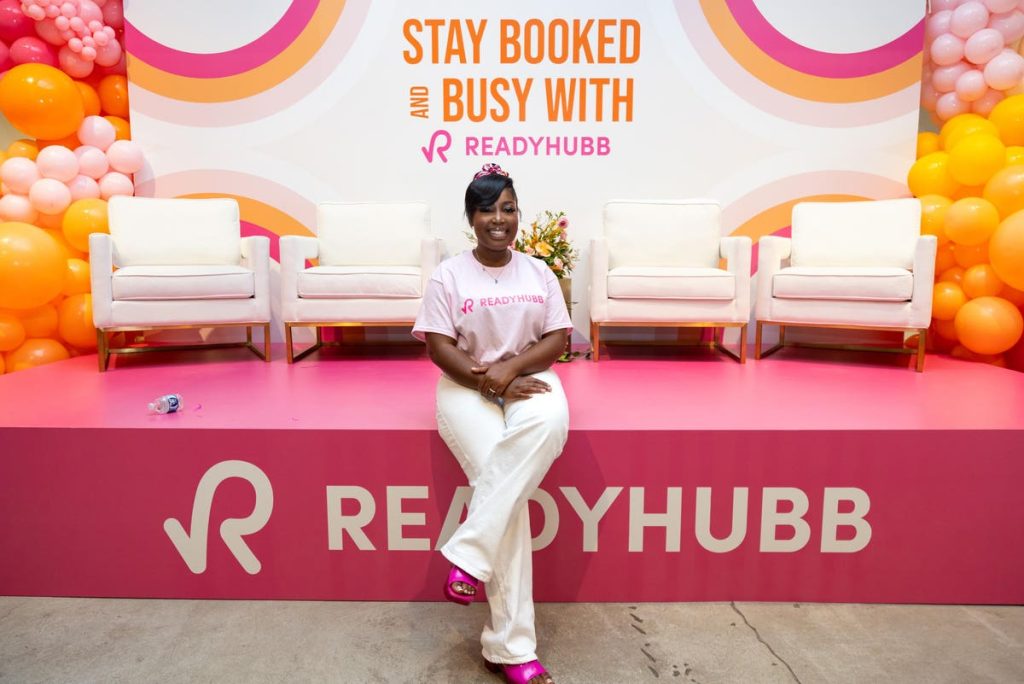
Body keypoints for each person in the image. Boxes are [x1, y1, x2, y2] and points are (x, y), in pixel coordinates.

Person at [413, 163, 571, 684]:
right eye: (487, 210)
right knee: (500, 485)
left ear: (518, 214)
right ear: (471, 218)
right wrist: (489, 382)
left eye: (508, 208)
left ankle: (468, 554)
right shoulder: (449, 275)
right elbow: (439, 346)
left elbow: (557, 338)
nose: (499, 219)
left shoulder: (539, 272)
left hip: (529, 377)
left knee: (549, 424)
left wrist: (512, 370)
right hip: (466, 385)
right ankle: (512, 649)